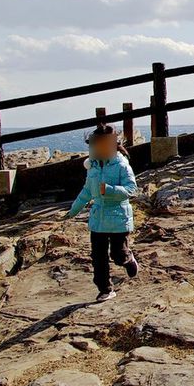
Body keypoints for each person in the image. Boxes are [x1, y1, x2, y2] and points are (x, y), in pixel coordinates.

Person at [65, 124, 140, 301]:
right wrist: (73, 210)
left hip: (118, 218)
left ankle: (128, 260)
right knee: (98, 256)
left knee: (118, 255)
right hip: (98, 218)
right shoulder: (93, 167)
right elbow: (86, 191)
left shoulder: (122, 165)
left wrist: (110, 190)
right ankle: (105, 289)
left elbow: (132, 189)